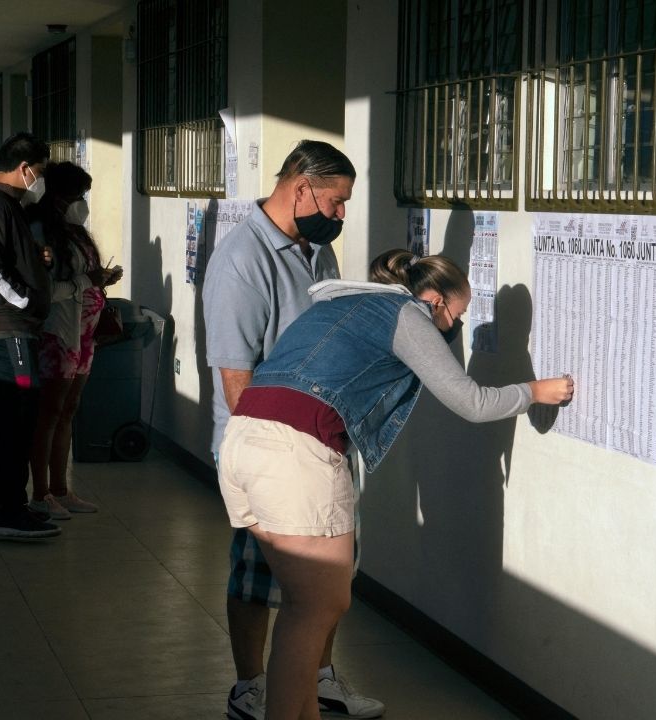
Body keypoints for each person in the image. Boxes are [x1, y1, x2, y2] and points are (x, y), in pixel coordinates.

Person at [218, 250, 575, 720]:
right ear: (434, 299)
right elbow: (470, 401)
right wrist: (535, 392)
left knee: (304, 608)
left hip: (243, 441)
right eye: (457, 315)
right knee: (318, 607)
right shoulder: (409, 315)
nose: (455, 327)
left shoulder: (339, 304)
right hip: (295, 455)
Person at [202, 140, 382, 720]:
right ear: (300, 187)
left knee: (330, 577)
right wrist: (282, 451)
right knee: (258, 576)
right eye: (335, 202)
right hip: (271, 451)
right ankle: (250, 685)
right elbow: (237, 381)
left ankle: (320, 677)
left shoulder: (316, 249)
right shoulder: (242, 260)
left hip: (321, 441)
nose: (341, 215)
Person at [0, 132, 59, 540]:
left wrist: (35, 261)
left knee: (16, 414)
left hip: (16, 327)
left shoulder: (10, 205)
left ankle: (8, 503)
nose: (41, 179)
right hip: (6, 328)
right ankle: (5, 509)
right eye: (40, 171)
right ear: (24, 169)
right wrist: (22, 301)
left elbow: (3, 254)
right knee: (13, 415)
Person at [27, 162, 121, 519]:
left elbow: (84, 279)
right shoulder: (41, 233)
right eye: (76, 195)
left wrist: (100, 280)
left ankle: (61, 490)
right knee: (48, 413)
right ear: (56, 197)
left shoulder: (76, 233)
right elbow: (46, 290)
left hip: (83, 334)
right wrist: (89, 282)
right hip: (58, 333)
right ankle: (40, 492)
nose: (82, 202)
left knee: (68, 410)